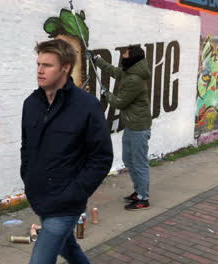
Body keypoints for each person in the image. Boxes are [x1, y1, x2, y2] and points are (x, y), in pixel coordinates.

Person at [21, 39, 113, 264]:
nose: (40, 71)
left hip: (66, 202)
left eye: (47, 65)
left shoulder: (87, 106)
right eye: (38, 64)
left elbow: (101, 158)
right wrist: (27, 175)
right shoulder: (31, 104)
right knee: (68, 248)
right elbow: (26, 146)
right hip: (40, 197)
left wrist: (76, 192)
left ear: (66, 67)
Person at [86, 45, 152, 210]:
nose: (123, 56)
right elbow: (114, 71)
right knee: (128, 159)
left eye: (125, 54)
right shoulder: (130, 72)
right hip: (131, 125)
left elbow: (120, 102)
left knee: (139, 162)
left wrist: (106, 93)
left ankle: (143, 198)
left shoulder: (135, 79)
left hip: (138, 127)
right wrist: (97, 60)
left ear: (132, 58)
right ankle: (138, 192)